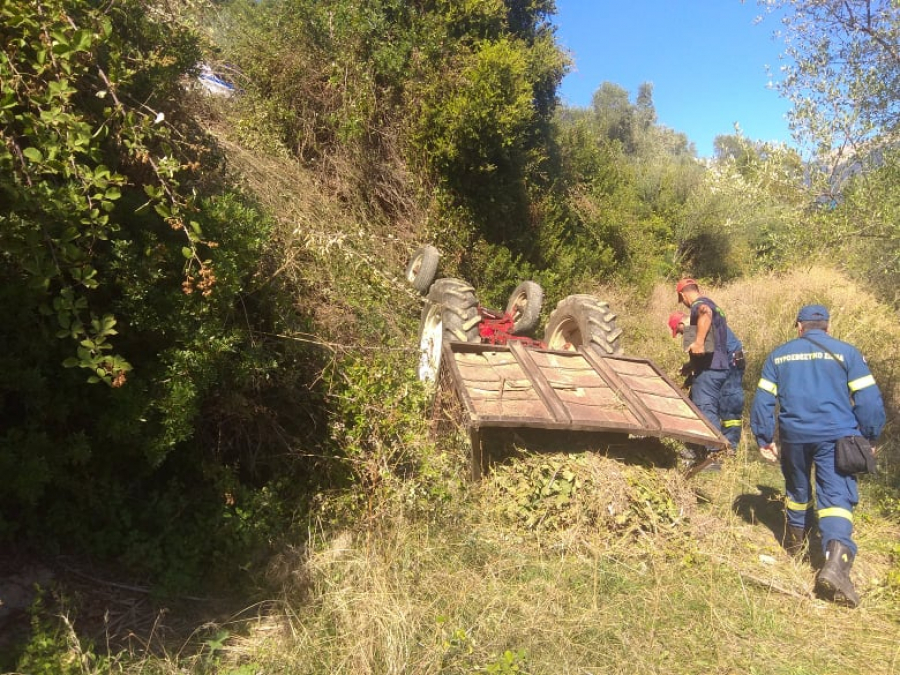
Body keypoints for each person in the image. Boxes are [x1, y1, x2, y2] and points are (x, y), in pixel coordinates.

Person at [750, 304, 885, 608]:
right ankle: (836, 560)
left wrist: (763, 436)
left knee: (798, 490)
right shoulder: (847, 353)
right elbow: (869, 400)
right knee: (836, 497)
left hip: (794, 436)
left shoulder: (779, 355)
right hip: (835, 436)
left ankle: (796, 545)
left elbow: (762, 400)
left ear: (798, 326)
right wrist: (870, 434)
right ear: (827, 326)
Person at [674, 278, 735, 467]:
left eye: (681, 299)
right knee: (704, 407)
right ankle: (699, 450)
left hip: (710, 370)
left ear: (682, 295)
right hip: (718, 367)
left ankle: (716, 456)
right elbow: (713, 344)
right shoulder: (713, 305)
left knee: (704, 408)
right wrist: (692, 366)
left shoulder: (700, 306)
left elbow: (704, 315)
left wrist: (698, 341)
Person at [668, 311, 745, 450]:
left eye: (678, 331)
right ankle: (730, 449)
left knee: (704, 403)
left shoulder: (691, 328)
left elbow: (702, 362)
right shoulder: (708, 322)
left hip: (721, 366)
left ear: (680, 323)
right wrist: (690, 366)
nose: (680, 334)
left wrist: (690, 380)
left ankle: (713, 451)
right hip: (734, 363)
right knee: (730, 410)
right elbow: (709, 354)